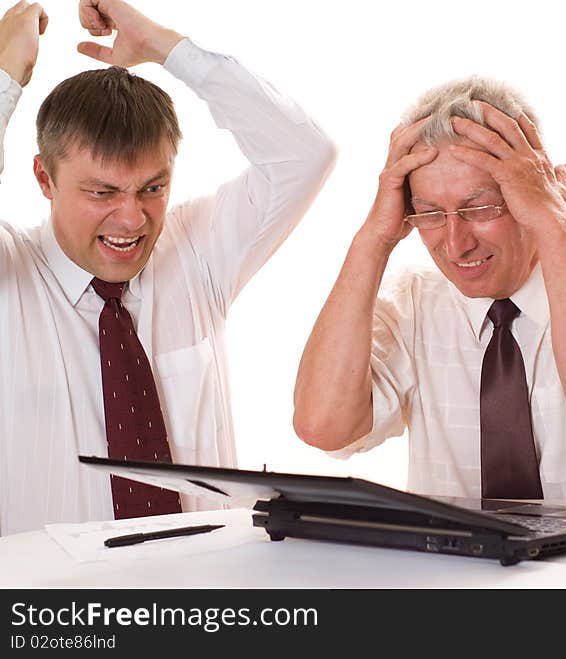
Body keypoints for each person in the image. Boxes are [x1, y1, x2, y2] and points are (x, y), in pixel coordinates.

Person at [0, 0, 335, 535]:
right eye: (102, 191)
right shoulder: (9, 277)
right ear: (44, 179)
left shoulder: (194, 250)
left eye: (152, 188)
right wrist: (4, 74)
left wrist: (166, 47)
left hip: (204, 604)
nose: (132, 219)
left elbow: (306, 154)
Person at [294, 76, 566, 503]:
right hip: (458, 568)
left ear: (549, 189)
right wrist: (373, 241)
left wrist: (555, 221)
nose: (457, 244)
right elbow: (323, 427)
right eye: (431, 214)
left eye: (481, 208)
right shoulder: (413, 301)